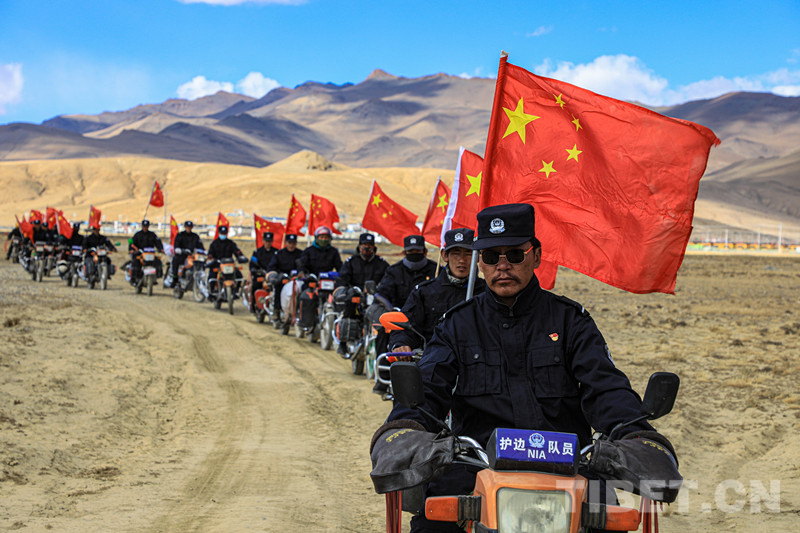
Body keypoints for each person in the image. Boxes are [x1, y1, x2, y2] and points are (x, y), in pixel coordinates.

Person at [376, 204, 678, 533]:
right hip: (476, 466)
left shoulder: (571, 321)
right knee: (431, 524)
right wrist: (403, 429)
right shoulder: (457, 325)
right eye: (491, 256)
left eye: (514, 255)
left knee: (611, 523)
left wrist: (635, 433)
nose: (502, 265)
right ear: (481, 263)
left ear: (536, 256)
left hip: (569, 466)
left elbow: (605, 387)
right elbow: (427, 387)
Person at [388, 228, 486, 353]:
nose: (462, 260)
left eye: (468, 253)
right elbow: (406, 326)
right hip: (434, 360)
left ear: (477, 257)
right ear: (445, 255)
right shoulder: (424, 292)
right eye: (456, 253)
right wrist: (401, 344)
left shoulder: (488, 292)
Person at [266, 234, 304, 321]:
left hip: (297, 279)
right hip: (283, 278)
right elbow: (272, 267)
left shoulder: (301, 254)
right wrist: (276, 274)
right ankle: (277, 310)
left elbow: (304, 266)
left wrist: (302, 273)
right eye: (289, 243)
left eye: (293, 243)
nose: (291, 245)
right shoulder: (279, 254)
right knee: (278, 287)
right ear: (285, 243)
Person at [128, 219, 164, 284]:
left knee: (158, 261)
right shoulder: (137, 235)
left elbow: (158, 242)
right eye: (144, 226)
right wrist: (131, 249)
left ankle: (157, 276)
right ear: (142, 226)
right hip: (140, 253)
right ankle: (134, 278)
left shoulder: (152, 235)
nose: (145, 227)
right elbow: (132, 243)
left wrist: (160, 249)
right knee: (135, 262)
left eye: (146, 226)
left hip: (150, 254)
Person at [170, 220, 204, 286]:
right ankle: (175, 278)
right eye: (187, 227)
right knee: (175, 260)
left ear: (192, 227)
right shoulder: (180, 235)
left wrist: (203, 251)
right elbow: (176, 245)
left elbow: (200, 246)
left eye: (190, 227)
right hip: (181, 254)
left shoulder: (195, 236)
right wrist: (179, 250)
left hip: (192, 256)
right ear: (185, 227)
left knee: (201, 263)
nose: (188, 228)